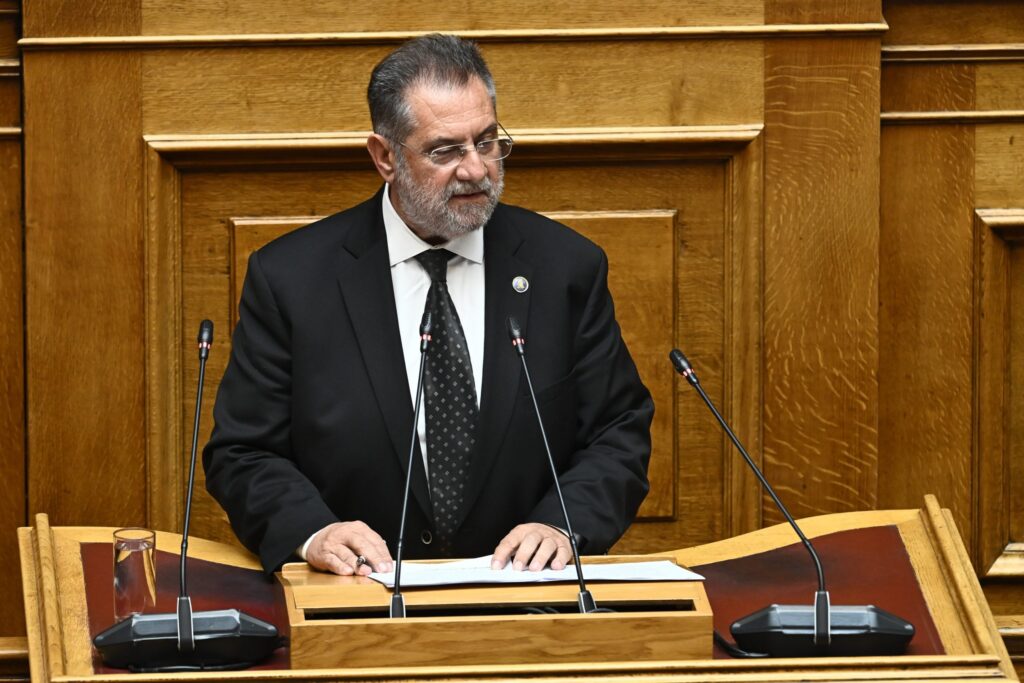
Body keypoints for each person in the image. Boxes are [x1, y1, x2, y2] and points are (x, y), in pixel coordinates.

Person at [203, 34, 653, 578]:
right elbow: (244, 452)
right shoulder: (292, 280)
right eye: (445, 151)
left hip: (527, 598)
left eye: (487, 142)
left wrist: (562, 524)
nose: (476, 170)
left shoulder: (565, 268)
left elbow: (618, 431)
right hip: (355, 598)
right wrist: (314, 532)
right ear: (385, 157)